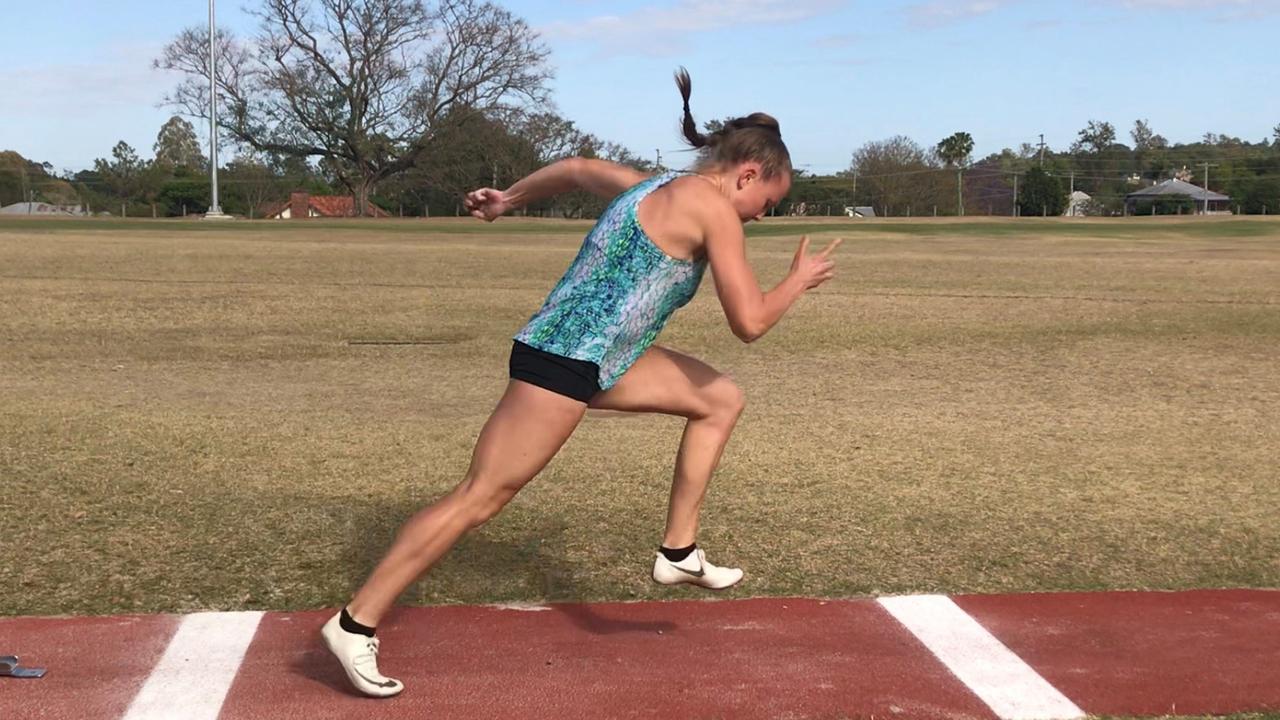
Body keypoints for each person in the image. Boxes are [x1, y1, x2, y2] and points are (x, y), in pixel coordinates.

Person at [321, 68, 842, 698]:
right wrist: (798, 280)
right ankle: (356, 623)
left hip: (599, 359)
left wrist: (510, 199)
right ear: (748, 175)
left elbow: (572, 168)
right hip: (562, 362)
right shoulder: (715, 211)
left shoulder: (653, 185)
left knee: (719, 399)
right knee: (479, 497)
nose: (763, 215)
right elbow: (750, 322)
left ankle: (678, 551)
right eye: (768, 202)